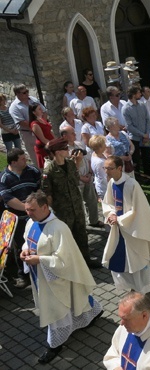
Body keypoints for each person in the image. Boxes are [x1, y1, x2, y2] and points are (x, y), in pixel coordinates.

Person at [20, 190, 103, 364]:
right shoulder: (30, 222)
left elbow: (65, 260)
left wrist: (40, 259)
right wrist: (25, 250)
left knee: (56, 310)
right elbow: (27, 240)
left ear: (44, 207)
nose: (28, 213)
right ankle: (94, 313)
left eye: (32, 210)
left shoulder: (59, 228)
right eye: (27, 209)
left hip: (57, 279)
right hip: (39, 276)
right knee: (74, 300)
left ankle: (54, 344)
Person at [102, 155, 150, 293]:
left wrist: (119, 219)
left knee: (137, 261)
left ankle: (141, 290)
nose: (106, 172)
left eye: (110, 168)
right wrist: (111, 214)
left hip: (133, 230)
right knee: (119, 260)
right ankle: (130, 287)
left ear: (120, 168)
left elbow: (137, 211)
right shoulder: (112, 183)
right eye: (105, 168)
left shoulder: (132, 184)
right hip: (118, 230)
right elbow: (108, 203)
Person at [41, 137, 99, 267]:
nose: (68, 150)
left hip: (77, 206)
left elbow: (75, 179)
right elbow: (47, 193)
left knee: (81, 233)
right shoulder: (49, 171)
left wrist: (77, 162)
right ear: (57, 152)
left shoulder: (71, 164)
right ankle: (71, 265)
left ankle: (86, 260)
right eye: (65, 148)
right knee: (67, 237)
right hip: (63, 210)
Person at [0, 148, 40, 289]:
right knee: (21, 247)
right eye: (23, 159)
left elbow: (40, 190)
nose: (26, 160)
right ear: (14, 162)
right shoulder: (4, 178)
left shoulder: (33, 171)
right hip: (19, 220)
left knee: (38, 244)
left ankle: (40, 270)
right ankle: (23, 274)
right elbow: (9, 200)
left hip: (36, 216)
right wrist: (29, 209)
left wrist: (37, 209)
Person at [60, 127, 102, 228]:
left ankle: (94, 220)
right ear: (64, 136)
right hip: (76, 181)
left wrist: (90, 172)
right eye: (72, 133)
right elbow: (68, 169)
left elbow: (87, 159)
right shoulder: (63, 150)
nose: (75, 134)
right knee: (78, 205)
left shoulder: (78, 144)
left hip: (87, 176)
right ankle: (81, 226)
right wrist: (81, 178)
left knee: (91, 200)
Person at [9, 84, 46, 167]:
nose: (27, 93)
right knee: (36, 157)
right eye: (24, 92)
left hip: (42, 130)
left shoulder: (33, 100)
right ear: (17, 94)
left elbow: (44, 111)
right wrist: (37, 127)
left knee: (47, 152)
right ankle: (40, 175)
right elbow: (22, 122)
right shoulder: (14, 107)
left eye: (27, 91)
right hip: (28, 133)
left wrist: (43, 125)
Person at [123, 86, 150, 179]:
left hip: (146, 137)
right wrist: (142, 134)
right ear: (133, 95)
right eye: (138, 93)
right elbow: (129, 126)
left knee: (147, 158)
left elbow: (147, 119)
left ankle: (149, 177)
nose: (140, 94)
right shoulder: (126, 109)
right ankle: (138, 179)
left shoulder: (142, 105)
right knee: (136, 159)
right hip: (134, 139)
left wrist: (147, 134)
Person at [29, 102, 55, 168]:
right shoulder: (35, 124)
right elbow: (43, 139)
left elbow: (50, 131)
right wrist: (54, 145)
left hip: (51, 145)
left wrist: (56, 140)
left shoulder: (42, 119)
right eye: (39, 109)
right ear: (34, 112)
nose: (42, 110)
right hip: (44, 149)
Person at [88, 135, 109, 201]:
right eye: (104, 144)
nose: (106, 145)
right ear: (100, 147)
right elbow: (103, 178)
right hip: (105, 188)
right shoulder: (99, 162)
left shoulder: (95, 154)